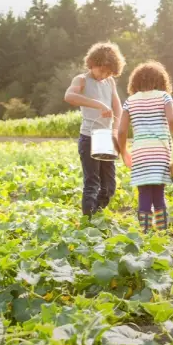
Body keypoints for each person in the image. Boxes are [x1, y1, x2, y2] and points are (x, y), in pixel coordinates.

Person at [117, 61, 173, 233]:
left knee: (144, 192)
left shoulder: (130, 102)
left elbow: (121, 130)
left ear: (135, 82)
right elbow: (172, 120)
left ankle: (145, 231)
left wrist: (124, 151)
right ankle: (162, 232)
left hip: (140, 152)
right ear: (162, 81)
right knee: (158, 192)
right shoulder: (164, 97)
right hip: (160, 152)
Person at [65, 42, 125, 216]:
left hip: (107, 138)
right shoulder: (81, 80)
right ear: (92, 63)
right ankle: (88, 222)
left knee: (109, 186)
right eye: (102, 70)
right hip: (89, 138)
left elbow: (117, 107)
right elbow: (69, 96)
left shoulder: (110, 82)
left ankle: (96, 216)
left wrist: (115, 130)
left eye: (108, 72)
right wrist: (98, 104)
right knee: (92, 183)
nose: (104, 75)